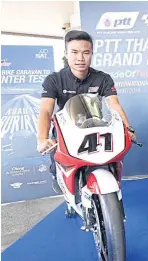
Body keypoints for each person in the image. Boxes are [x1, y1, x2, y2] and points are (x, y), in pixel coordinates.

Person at [37, 30, 136, 194]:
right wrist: (42, 138)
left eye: (86, 52)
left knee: (111, 157)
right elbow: (46, 111)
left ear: (92, 53)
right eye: (74, 52)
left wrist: (128, 128)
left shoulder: (103, 78)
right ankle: (58, 176)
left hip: (95, 125)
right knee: (57, 166)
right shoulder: (54, 79)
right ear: (66, 54)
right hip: (66, 129)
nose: (80, 58)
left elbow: (114, 105)